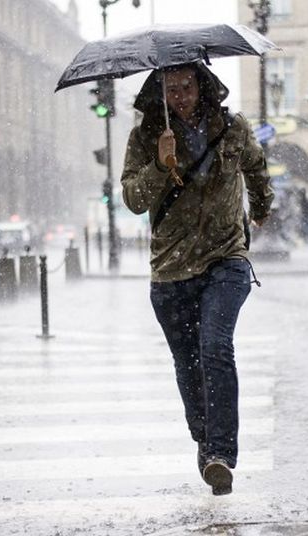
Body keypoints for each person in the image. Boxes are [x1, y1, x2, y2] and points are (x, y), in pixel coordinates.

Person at [120, 62, 274, 496]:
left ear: (202, 86)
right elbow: (133, 199)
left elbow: (256, 167)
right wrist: (159, 163)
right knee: (188, 364)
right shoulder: (146, 137)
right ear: (160, 93)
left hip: (226, 258)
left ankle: (221, 452)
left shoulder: (232, 128)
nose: (181, 97)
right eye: (171, 90)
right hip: (170, 270)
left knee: (215, 347)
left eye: (187, 86)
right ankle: (206, 443)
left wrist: (261, 206)